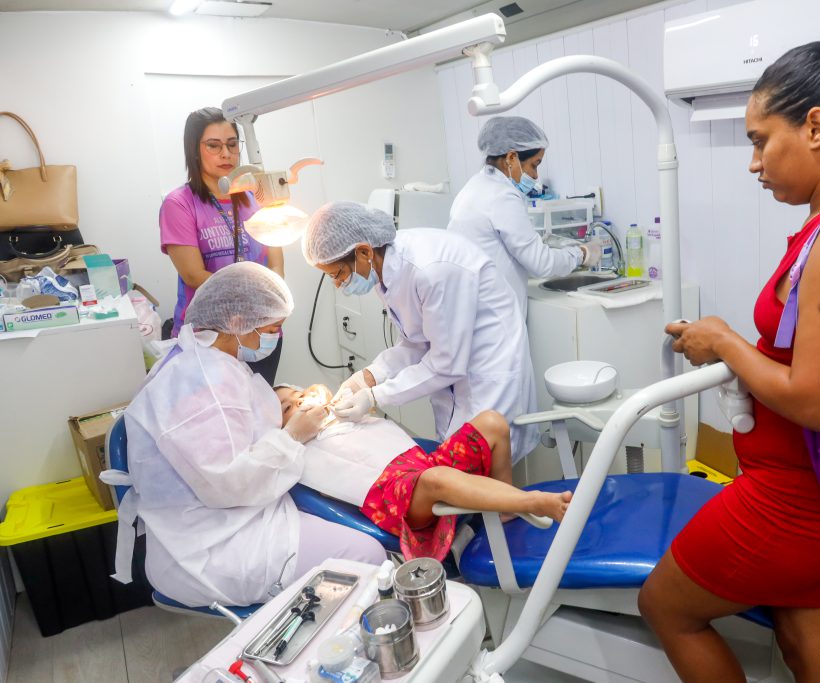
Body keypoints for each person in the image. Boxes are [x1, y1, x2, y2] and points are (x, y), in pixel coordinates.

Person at [638, 24, 820, 682]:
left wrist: (725, 342)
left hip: (803, 499)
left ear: (816, 127)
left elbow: (816, 400)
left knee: (666, 607)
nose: (754, 162)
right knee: (811, 655)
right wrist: (733, 349)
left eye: (760, 140)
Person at [109, 263, 385, 608]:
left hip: (220, 520)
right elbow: (229, 482)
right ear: (238, 322)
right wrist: (292, 436)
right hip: (211, 549)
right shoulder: (204, 382)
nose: (276, 338)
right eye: (272, 329)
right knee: (366, 555)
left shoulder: (207, 356)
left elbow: (243, 423)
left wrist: (298, 409)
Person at [302, 201, 540, 463]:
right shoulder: (384, 271)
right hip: (456, 368)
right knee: (458, 467)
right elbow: (416, 340)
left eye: (338, 273)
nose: (338, 284)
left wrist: (375, 396)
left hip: (488, 365)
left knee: (482, 466)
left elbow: (446, 363)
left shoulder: (430, 269)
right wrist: (369, 377)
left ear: (363, 252)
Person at [275, 385, 571, 561]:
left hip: (423, 465)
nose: (300, 401)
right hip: (394, 498)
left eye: (300, 393)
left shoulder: (345, 414)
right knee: (435, 478)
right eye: (288, 407)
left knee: (492, 422)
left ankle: (506, 511)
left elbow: (323, 390)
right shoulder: (298, 450)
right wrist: (292, 435)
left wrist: (320, 398)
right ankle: (530, 502)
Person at [159, 106, 286, 384]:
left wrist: (276, 304)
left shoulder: (255, 196)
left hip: (260, 334)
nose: (226, 154)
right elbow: (193, 275)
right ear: (194, 150)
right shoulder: (179, 204)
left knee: (261, 406)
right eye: (214, 146)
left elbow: (275, 258)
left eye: (232, 144)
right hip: (209, 339)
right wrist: (256, 300)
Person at [447, 116, 601, 314]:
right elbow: (541, 264)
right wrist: (582, 254)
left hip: (472, 308)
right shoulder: (502, 196)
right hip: (496, 316)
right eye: (534, 165)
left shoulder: (473, 187)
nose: (536, 176)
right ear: (511, 158)